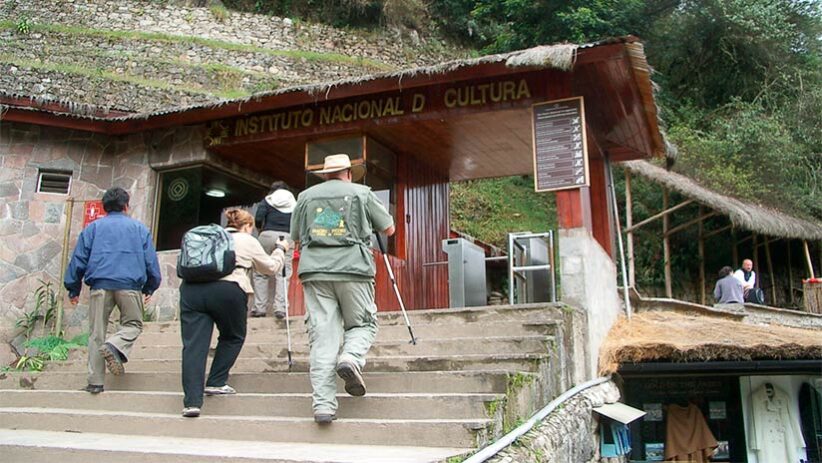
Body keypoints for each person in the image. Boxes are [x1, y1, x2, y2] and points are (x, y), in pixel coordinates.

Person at [290, 154, 395, 424]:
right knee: (362, 324)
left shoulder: (305, 197)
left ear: (326, 174)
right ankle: (350, 357)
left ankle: (323, 406)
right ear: (348, 172)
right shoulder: (362, 193)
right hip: (353, 270)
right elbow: (389, 228)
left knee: (322, 338)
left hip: (315, 272)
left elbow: (296, 237)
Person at [179, 209, 288, 418]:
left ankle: (191, 402)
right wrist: (280, 249)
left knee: (193, 346)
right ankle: (216, 381)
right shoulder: (247, 240)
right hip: (228, 290)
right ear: (247, 226)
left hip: (191, 290)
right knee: (233, 336)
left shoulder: (208, 238)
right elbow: (271, 268)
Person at [64, 187, 162, 394]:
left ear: (104, 207)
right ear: (126, 206)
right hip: (130, 286)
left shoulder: (92, 228)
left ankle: (95, 382)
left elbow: (78, 260)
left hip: (99, 286)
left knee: (96, 333)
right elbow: (150, 261)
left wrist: (73, 288)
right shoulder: (139, 229)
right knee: (133, 324)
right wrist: (151, 286)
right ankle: (115, 344)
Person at [251, 181, 296, 319]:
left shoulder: (267, 200)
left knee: (260, 272)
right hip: (287, 237)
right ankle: (280, 308)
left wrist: (261, 230)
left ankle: (259, 308)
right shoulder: (294, 202)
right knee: (283, 273)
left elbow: (258, 218)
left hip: (267, 234)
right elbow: (298, 221)